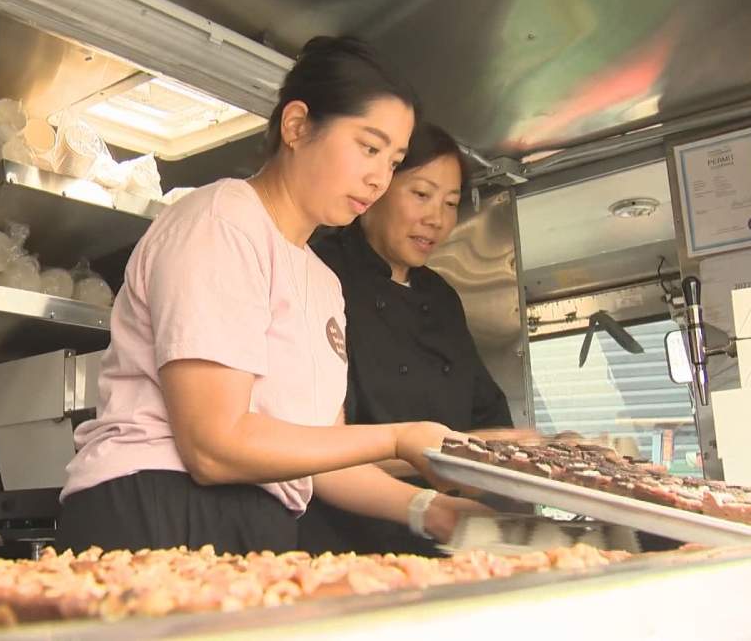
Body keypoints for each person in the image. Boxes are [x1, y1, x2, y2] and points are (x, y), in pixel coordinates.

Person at [57, 37, 484, 555]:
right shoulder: (223, 221)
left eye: (393, 161)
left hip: (261, 522)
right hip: (156, 503)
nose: (378, 176)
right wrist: (398, 438)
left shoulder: (323, 282)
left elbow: (319, 460)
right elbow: (213, 446)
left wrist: (430, 509)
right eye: (368, 147)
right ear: (297, 126)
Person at [299, 122, 517, 556]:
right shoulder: (318, 274)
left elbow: (485, 414)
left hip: (448, 537)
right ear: (376, 188)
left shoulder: (441, 297)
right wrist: (455, 464)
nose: (436, 218)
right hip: (345, 540)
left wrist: (519, 455)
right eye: (421, 194)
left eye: (450, 203)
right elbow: (311, 443)